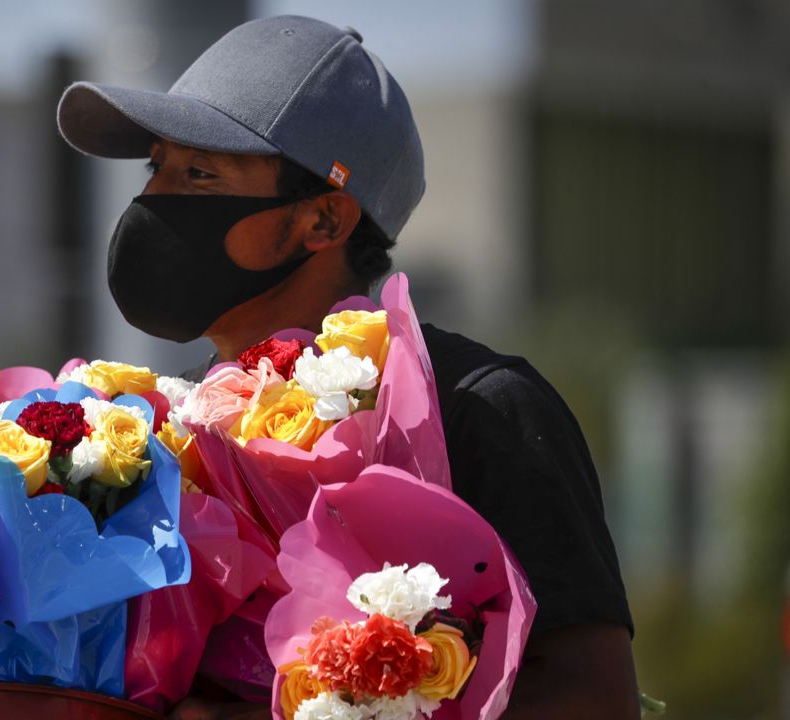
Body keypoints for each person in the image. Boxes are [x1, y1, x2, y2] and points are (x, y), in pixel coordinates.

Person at [57, 15, 639, 719]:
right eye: (158, 168)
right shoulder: (151, 431)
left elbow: (592, 697)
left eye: (200, 174)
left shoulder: (479, 408)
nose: (152, 201)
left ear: (326, 220)